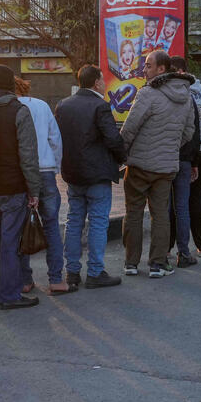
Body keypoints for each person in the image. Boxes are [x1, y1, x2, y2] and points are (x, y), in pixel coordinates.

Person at [119, 50, 195, 278]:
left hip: (140, 166)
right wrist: (170, 147)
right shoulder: (186, 96)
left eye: (149, 65)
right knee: (160, 214)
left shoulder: (148, 93)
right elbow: (188, 132)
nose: (144, 69)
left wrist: (122, 152)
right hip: (166, 167)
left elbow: (130, 128)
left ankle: (131, 263)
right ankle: (158, 264)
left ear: (161, 69)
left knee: (133, 212)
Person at [0, 66, 42, 310]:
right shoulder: (18, 111)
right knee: (9, 243)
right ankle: (10, 295)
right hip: (12, 187)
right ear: (9, 85)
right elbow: (28, 155)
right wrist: (34, 190)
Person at [55, 66, 125, 289]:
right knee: (97, 222)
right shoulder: (100, 106)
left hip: (73, 174)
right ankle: (95, 272)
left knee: (74, 220)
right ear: (96, 82)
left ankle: (72, 272)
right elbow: (113, 138)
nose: (104, 84)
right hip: (97, 174)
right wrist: (123, 158)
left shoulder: (63, 105)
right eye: (102, 80)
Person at [14, 77, 70, 295]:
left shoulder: (12, 108)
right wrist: (55, 166)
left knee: (21, 227)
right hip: (45, 171)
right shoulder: (41, 105)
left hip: (20, 173)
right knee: (51, 226)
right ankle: (56, 279)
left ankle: (25, 280)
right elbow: (55, 139)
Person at [172, 57, 201, 258]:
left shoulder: (182, 92)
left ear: (179, 72)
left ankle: (171, 247)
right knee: (196, 197)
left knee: (178, 200)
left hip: (188, 148)